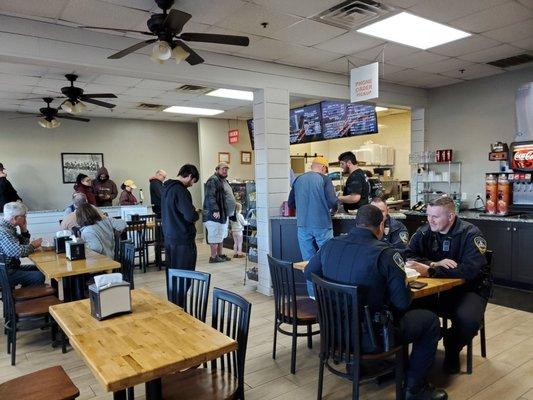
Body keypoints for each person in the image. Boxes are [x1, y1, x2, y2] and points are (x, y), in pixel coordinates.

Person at [305, 205, 447, 400]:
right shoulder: (387, 254)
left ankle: (359, 365)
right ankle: (415, 389)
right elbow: (402, 302)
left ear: (356, 223)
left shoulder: (330, 244)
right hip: (371, 338)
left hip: (332, 331)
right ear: (380, 225)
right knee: (430, 321)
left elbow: (309, 272)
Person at [403, 196, 490, 375]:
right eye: (428, 215)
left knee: (468, 321)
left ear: (451, 217)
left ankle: (452, 346)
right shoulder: (425, 231)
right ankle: (416, 358)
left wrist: (431, 271)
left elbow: (470, 270)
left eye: (435, 216)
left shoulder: (471, 234)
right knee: (405, 308)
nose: (430, 220)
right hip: (433, 288)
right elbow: (408, 256)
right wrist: (434, 264)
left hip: (469, 288)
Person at [287, 156, 337, 260]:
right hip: (322, 224)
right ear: (323, 167)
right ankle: (324, 276)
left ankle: (310, 277)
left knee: (307, 261)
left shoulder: (298, 179)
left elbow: (291, 203)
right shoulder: (325, 179)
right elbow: (332, 201)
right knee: (327, 257)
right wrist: (331, 209)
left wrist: (303, 208)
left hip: (303, 225)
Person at [161, 164, 200, 279]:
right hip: (182, 240)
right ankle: (180, 297)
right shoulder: (181, 190)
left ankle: (172, 298)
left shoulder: (166, 188)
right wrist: (196, 213)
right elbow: (190, 216)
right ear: (189, 176)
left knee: (172, 276)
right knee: (184, 276)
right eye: (193, 181)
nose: (192, 184)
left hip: (169, 238)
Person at [0, 202, 45, 287]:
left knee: (40, 269)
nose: (25, 218)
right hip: (5, 272)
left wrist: (23, 229)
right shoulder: (3, 231)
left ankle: (25, 295)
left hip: (11, 268)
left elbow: (23, 248)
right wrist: (32, 246)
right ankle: (23, 299)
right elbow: (16, 251)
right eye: (24, 216)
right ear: (15, 218)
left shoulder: (8, 228)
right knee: (38, 276)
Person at [203, 163, 236, 263]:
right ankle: (213, 257)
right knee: (214, 235)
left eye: (226, 169)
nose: (225, 171)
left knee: (221, 235)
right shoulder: (213, 180)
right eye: (223, 169)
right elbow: (210, 196)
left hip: (223, 213)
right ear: (217, 169)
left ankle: (219, 255)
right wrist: (215, 210)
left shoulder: (224, 180)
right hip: (214, 214)